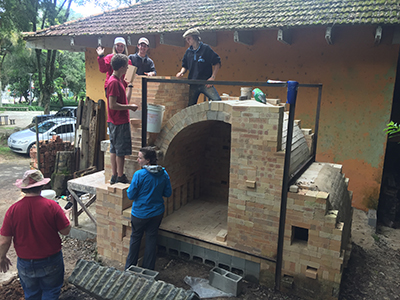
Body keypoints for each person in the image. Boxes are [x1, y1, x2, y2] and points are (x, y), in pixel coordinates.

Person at [0, 169, 71, 299]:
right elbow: (65, 231)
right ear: (42, 186)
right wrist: (67, 216)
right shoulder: (52, 206)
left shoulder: (12, 210)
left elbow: (4, 241)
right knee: (51, 292)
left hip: (26, 263)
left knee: (32, 295)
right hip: (51, 261)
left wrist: (2, 257)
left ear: (24, 188)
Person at [125, 147, 172, 270]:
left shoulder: (139, 175)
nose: (137, 160)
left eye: (140, 158)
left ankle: (130, 267)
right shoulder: (164, 173)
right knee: (151, 238)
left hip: (140, 214)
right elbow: (167, 193)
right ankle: (148, 269)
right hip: (157, 213)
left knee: (135, 238)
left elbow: (130, 195)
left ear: (148, 161)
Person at [107, 54, 138, 184]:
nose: (127, 68)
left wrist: (130, 85)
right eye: (126, 66)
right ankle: (120, 176)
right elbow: (112, 104)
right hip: (118, 121)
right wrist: (130, 107)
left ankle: (114, 175)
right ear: (121, 67)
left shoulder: (118, 80)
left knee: (114, 148)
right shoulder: (113, 82)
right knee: (120, 150)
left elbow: (125, 98)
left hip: (115, 120)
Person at [176, 28, 222, 106]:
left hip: (205, 83)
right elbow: (185, 65)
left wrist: (213, 77)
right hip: (193, 83)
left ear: (195, 37)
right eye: (186, 39)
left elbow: (217, 63)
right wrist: (181, 72)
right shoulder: (188, 52)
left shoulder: (206, 49)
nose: (187, 40)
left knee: (217, 101)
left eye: (189, 38)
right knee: (190, 106)